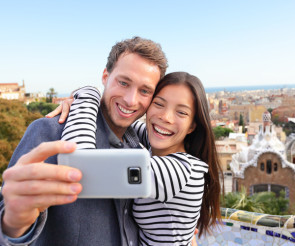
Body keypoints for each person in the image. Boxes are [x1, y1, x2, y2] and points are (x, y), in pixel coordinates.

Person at [0, 37, 168, 246]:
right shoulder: (51, 132)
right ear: (105, 76)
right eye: (123, 83)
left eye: (145, 90)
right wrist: (14, 223)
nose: (130, 100)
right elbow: (9, 217)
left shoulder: (142, 149)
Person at [49, 72, 223, 245]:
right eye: (159, 104)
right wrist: (81, 100)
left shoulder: (180, 171)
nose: (165, 117)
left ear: (192, 125)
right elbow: (119, 119)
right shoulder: (158, 143)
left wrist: (88, 95)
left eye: (181, 113)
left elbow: (82, 170)